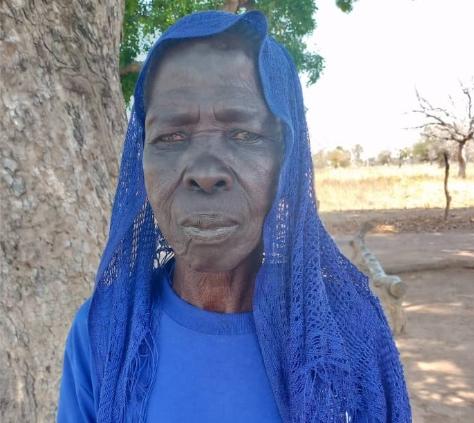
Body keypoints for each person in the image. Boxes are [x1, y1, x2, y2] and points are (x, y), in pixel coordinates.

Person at [57, 10, 411, 423]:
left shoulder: (346, 330)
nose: (205, 172)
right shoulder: (104, 330)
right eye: (171, 137)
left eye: (243, 135)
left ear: (286, 160)